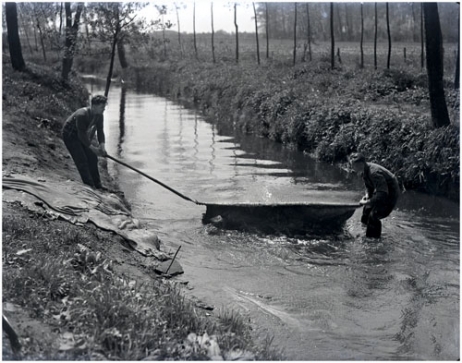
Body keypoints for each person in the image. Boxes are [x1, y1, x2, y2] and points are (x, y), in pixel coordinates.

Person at [349, 152, 400, 238]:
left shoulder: (374, 172)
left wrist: (367, 202)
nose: (352, 168)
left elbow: (383, 194)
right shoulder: (364, 170)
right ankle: (364, 232)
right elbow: (369, 187)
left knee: (374, 215)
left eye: (353, 166)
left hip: (391, 192)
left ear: (360, 164)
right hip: (382, 190)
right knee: (366, 210)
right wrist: (367, 196)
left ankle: (373, 241)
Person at [62, 95, 108, 190]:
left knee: (92, 158)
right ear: (94, 106)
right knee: (82, 160)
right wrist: (93, 148)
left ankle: (98, 185)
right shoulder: (82, 115)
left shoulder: (99, 116)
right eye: (102, 107)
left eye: (104, 107)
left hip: (81, 135)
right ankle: (90, 186)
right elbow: (81, 135)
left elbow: (100, 131)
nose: (104, 109)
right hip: (70, 135)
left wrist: (102, 147)